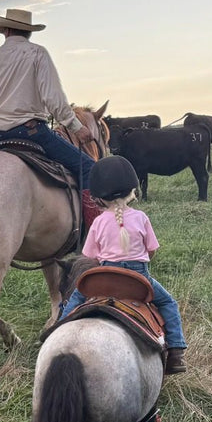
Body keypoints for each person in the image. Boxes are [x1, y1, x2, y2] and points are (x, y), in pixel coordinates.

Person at [59, 156, 187, 375]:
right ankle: (176, 352)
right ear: (132, 191)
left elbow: (90, 256)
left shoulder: (99, 222)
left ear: (98, 198)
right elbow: (152, 250)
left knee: (76, 299)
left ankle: (58, 331)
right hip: (137, 278)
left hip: (104, 276)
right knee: (168, 303)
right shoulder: (141, 217)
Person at [0, 8, 98, 189]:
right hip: (32, 133)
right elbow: (53, 98)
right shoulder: (37, 53)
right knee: (90, 169)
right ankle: (95, 219)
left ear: (6, 31)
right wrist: (77, 128)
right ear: (29, 32)